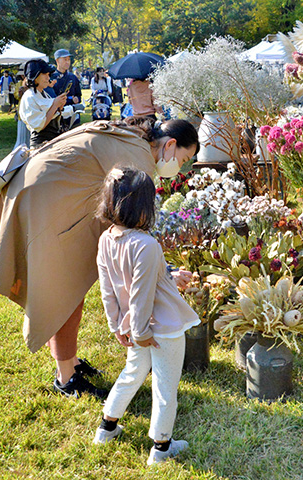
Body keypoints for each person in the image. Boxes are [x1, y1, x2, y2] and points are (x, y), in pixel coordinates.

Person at [0, 118, 199, 399]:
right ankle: (66, 378)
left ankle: (70, 362)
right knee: (65, 289)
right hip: (44, 197)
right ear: (170, 144)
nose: (179, 168)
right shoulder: (139, 158)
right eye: (183, 159)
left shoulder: (133, 138)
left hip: (39, 189)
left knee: (68, 285)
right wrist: (167, 271)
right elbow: (137, 230)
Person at [92, 166, 199, 464]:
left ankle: (107, 427)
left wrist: (117, 325)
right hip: (160, 327)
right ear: (142, 206)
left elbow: (109, 289)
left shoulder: (106, 240)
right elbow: (141, 295)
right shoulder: (147, 244)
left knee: (132, 373)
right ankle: (161, 447)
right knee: (165, 385)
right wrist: (142, 332)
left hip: (133, 326)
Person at [19, 59, 68, 147]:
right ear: (35, 76)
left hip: (52, 141)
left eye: (48, 75)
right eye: (44, 74)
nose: (48, 78)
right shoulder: (29, 96)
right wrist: (55, 105)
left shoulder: (44, 94)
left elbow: (52, 115)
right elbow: (40, 125)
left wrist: (60, 106)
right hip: (40, 144)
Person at [51, 49, 82, 131]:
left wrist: (77, 99)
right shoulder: (51, 77)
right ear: (57, 60)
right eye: (65, 59)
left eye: (68, 60)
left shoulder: (73, 77)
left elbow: (79, 96)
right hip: (57, 113)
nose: (67, 62)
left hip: (72, 113)